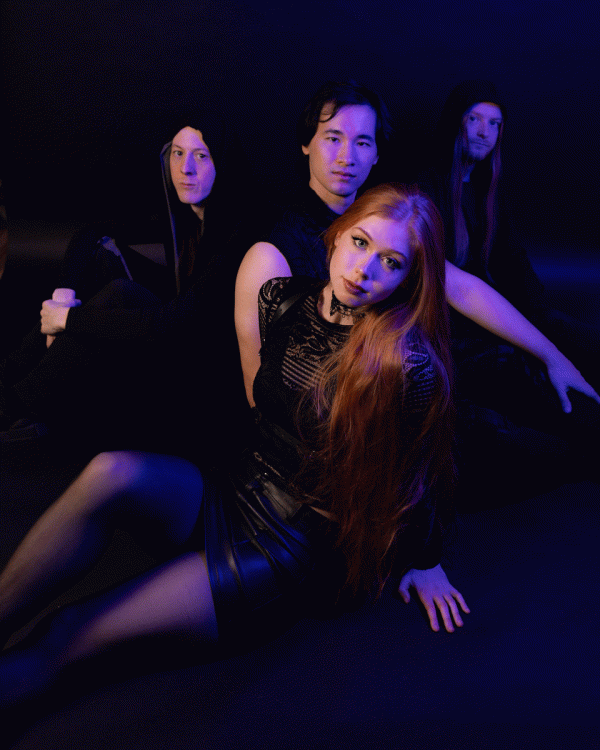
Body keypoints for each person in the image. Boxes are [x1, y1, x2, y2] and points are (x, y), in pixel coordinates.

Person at [0, 185, 468, 705]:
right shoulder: (283, 299)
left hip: (291, 543)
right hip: (235, 483)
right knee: (111, 472)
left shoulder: (405, 364)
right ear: (337, 235)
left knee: (67, 632)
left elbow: (416, 471)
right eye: (360, 242)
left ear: (409, 278)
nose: (364, 270)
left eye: (391, 262)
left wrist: (426, 558)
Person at [239, 82, 597, 433]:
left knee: (545, 383)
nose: (347, 157)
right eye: (333, 138)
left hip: (422, 378)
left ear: (377, 154)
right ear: (306, 143)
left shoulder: (387, 220)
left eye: (362, 142)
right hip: (352, 424)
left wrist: (553, 357)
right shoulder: (272, 256)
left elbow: (462, 288)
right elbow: (263, 396)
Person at [0, 114, 254, 458]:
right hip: (173, 334)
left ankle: (15, 406)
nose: (186, 169)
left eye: (201, 156)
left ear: (221, 161)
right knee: (108, 270)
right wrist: (63, 298)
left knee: (118, 295)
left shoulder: (239, 230)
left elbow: (176, 322)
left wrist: (68, 320)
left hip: (204, 375)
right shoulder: (183, 212)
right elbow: (90, 233)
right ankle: (8, 383)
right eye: (178, 154)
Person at [416, 80, 599, 486]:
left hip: (491, 313)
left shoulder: (486, 189)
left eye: (495, 123)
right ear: (455, 123)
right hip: (457, 332)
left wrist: (543, 320)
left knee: (565, 330)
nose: (485, 132)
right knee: (530, 371)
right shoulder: (424, 188)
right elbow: (451, 288)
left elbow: (515, 264)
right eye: (474, 119)